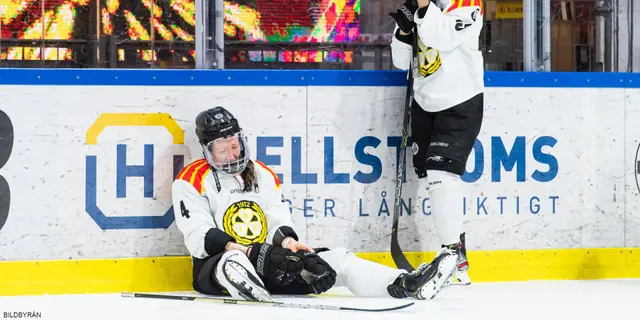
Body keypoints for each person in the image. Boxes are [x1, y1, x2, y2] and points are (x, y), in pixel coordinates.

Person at [171, 106, 453, 302]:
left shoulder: (262, 173)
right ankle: (243, 282)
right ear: (207, 149)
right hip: (217, 267)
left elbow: (277, 217)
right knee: (232, 261)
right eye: (222, 148)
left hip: (268, 261)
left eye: (235, 145)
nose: (232, 153)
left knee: (336, 259)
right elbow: (199, 237)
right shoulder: (191, 179)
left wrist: (290, 247)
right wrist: (249, 251)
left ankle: (404, 283)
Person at [389, 0, 485, 288]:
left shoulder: (467, 4)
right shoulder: (414, 7)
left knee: (442, 175)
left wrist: (422, 10)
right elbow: (401, 62)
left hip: (461, 101)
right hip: (424, 103)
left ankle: (451, 253)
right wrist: (404, 35)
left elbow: (442, 37)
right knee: (434, 179)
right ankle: (458, 257)